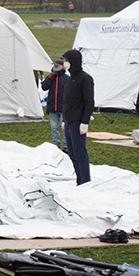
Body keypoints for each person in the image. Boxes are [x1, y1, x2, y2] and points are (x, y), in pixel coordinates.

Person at [61, 49, 94, 185]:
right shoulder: (70, 79)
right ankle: (79, 179)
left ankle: (85, 181)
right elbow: (66, 100)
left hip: (78, 121)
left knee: (80, 153)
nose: (65, 63)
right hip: (68, 120)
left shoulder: (85, 78)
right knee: (72, 154)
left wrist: (85, 122)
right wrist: (64, 120)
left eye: (67, 60)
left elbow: (89, 102)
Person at [41, 59, 69, 152]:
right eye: (54, 66)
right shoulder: (50, 77)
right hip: (52, 106)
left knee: (64, 127)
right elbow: (44, 87)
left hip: (63, 108)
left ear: (62, 67)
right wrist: (50, 77)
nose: (55, 68)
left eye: (57, 66)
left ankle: (66, 145)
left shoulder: (66, 78)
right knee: (54, 127)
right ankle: (56, 144)